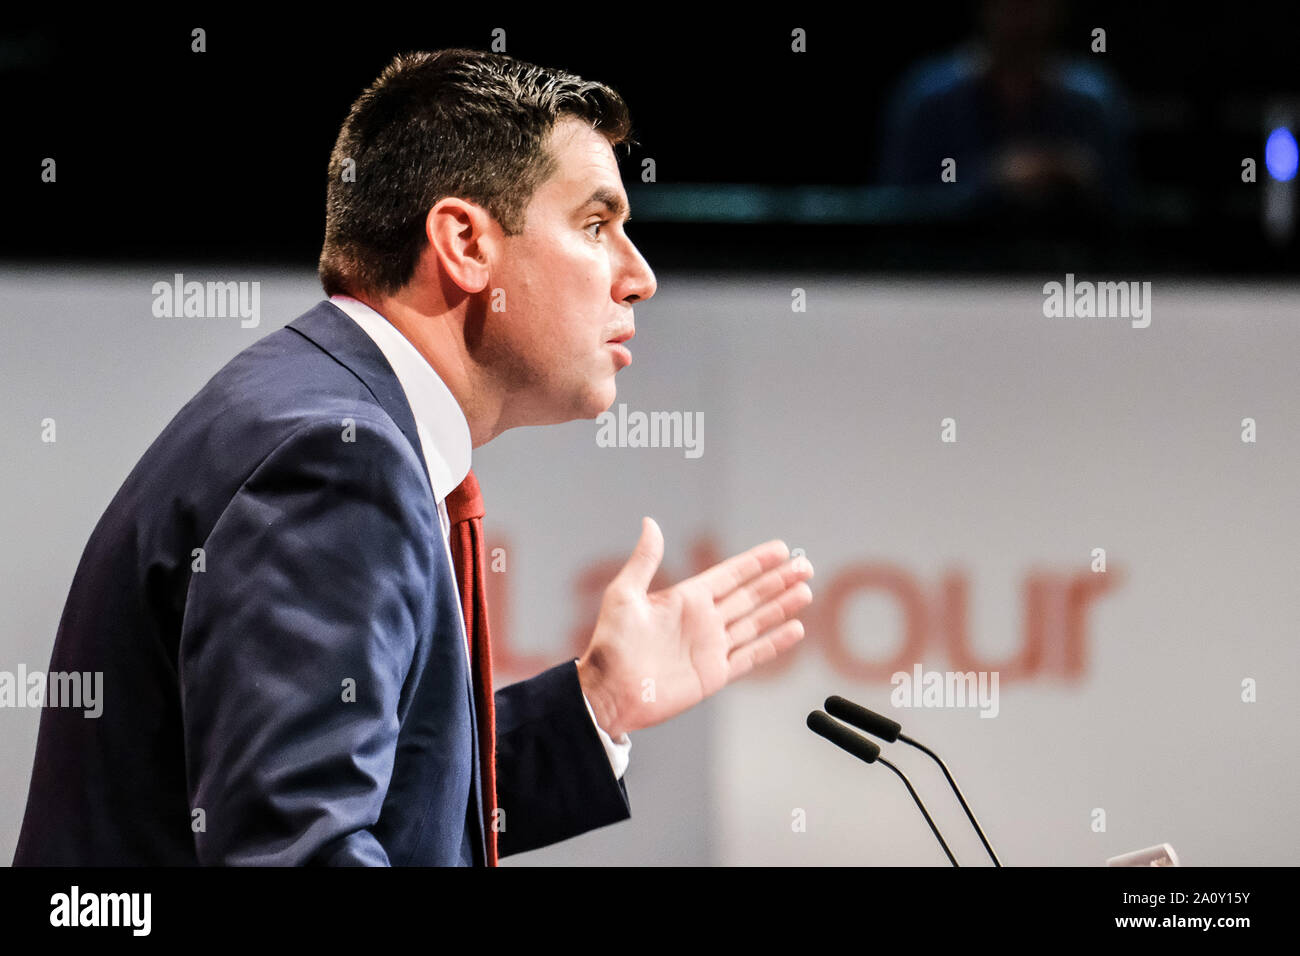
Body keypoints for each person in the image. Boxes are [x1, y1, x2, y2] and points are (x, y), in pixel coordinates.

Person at [13, 48, 814, 866]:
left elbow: (383, 799)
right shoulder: (333, 459)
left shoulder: (326, 416)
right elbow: (300, 850)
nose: (639, 277)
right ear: (465, 242)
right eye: (597, 226)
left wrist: (597, 703)